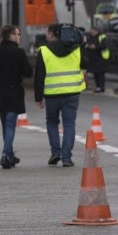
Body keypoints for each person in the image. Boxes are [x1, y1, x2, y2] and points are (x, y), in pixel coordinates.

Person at [34, 23, 87, 168]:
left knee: (52, 122)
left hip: (52, 95)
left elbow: (39, 75)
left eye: (47, 32)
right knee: (69, 124)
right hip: (72, 93)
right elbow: (85, 64)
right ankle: (67, 158)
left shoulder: (44, 50)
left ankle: (55, 152)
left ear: (52, 34)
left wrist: (38, 97)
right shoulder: (76, 48)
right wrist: (83, 46)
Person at [0, 25, 33, 169]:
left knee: (6, 125)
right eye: (17, 34)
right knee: (11, 125)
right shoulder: (19, 52)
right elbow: (28, 72)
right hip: (14, 93)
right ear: (11, 36)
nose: (19, 37)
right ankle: (5, 154)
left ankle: (9, 155)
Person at [84, 27, 109, 93]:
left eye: (93, 31)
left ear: (97, 31)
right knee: (95, 73)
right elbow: (87, 45)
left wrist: (95, 47)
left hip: (100, 58)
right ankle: (98, 87)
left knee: (101, 74)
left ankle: (101, 87)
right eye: (91, 31)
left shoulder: (102, 36)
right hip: (93, 59)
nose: (92, 32)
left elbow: (104, 45)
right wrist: (88, 46)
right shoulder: (90, 37)